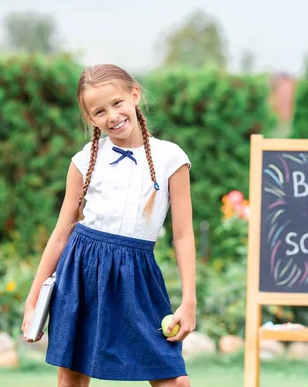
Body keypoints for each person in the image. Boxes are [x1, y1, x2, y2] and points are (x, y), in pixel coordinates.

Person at [21, 64, 196, 387]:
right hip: (81, 272)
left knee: (174, 380)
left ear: (134, 95)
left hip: (137, 276)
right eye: (99, 111)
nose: (112, 116)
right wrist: (33, 303)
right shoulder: (83, 161)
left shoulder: (171, 158)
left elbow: (183, 235)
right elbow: (61, 234)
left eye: (117, 103)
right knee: (72, 376)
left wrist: (189, 300)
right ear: (90, 118)